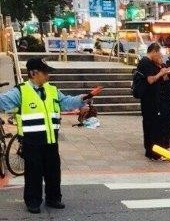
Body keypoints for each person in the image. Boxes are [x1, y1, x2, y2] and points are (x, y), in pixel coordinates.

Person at [0, 58, 97, 213]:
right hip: (32, 142)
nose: (48, 75)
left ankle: (53, 198)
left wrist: (83, 98)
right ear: (33, 73)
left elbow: (66, 102)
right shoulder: (20, 91)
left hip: (51, 140)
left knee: (53, 171)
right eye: (45, 72)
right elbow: (2, 102)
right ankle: (33, 201)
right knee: (34, 172)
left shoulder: (52, 90)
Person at [135, 42, 170, 160]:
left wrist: (165, 72)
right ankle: (154, 154)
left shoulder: (150, 62)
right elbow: (150, 80)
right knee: (152, 127)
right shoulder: (145, 63)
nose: (160, 57)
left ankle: (152, 152)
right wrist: (161, 73)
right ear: (154, 51)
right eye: (159, 55)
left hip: (153, 99)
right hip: (149, 100)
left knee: (153, 126)